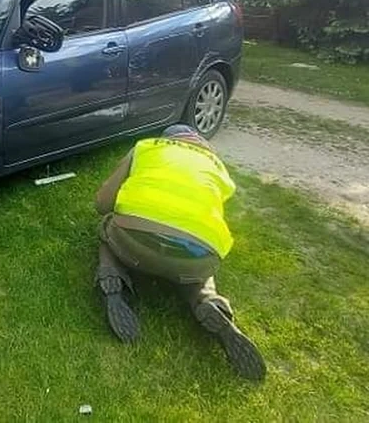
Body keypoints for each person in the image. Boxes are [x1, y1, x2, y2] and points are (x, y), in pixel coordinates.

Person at [93, 124, 266, 380]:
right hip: (197, 253)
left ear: (166, 140)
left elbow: (102, 203)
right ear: (201, 146)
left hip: (135, 240)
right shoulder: (217, 166)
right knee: (196, 262)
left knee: (107, 229)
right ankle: (209, 301)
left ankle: (112, 279)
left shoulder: (145, 148)